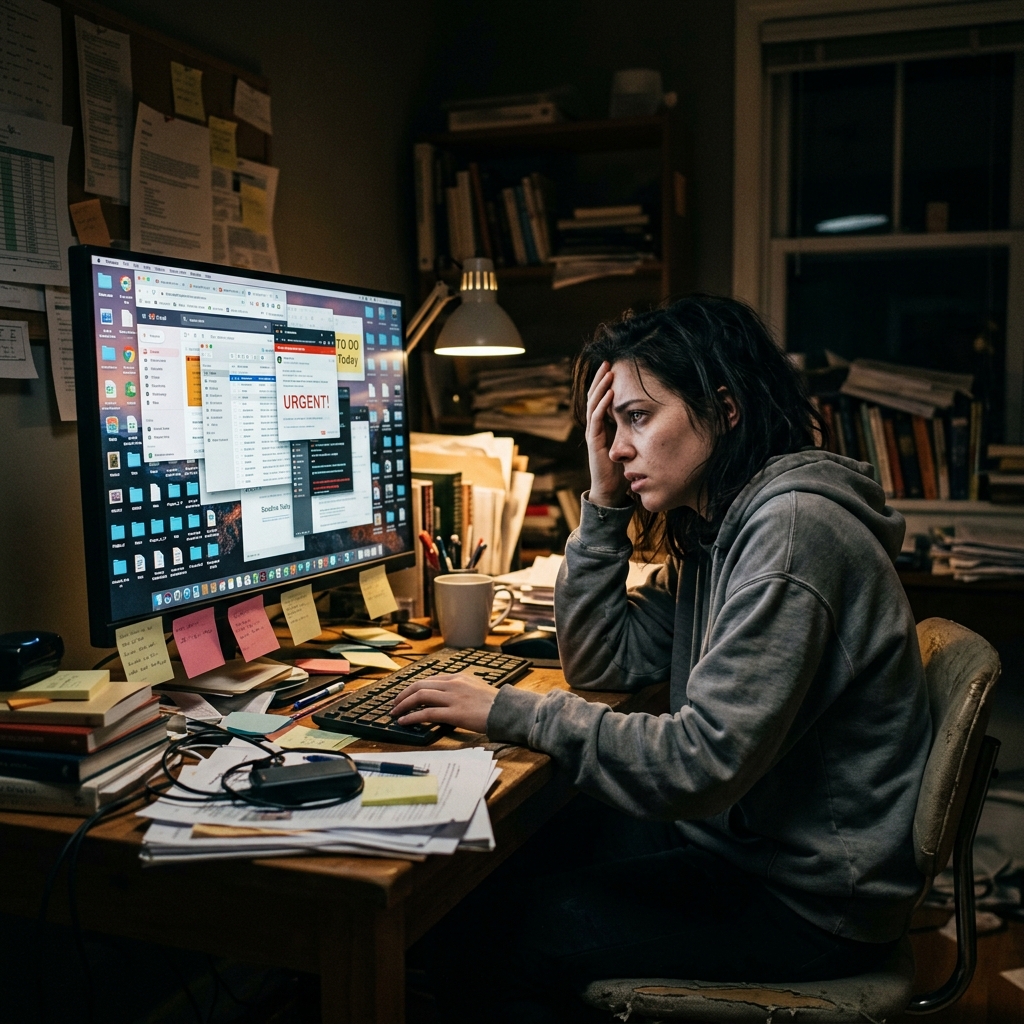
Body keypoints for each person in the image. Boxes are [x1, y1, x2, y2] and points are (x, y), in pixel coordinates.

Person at [393, 296, 932, 1023]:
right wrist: (603, 502)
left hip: (810, 901)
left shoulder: (792, 534)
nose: (617, 447)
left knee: (496, 935)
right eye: (609, 426)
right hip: (748, 848)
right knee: (498, 871)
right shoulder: (719, 528)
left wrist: (506, 709)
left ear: (726, 408)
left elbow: (697, 763)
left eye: (638, 418)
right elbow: (602, 665)